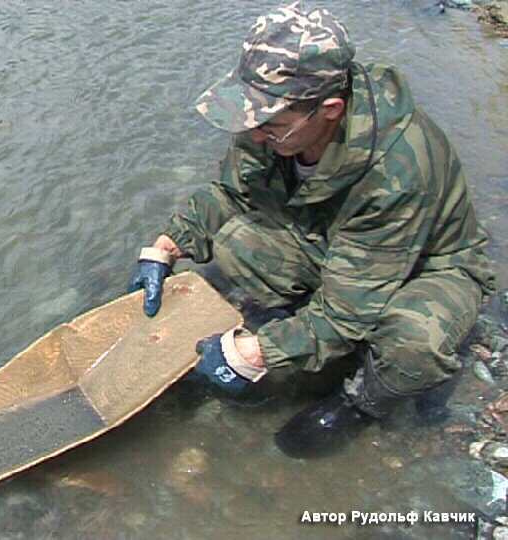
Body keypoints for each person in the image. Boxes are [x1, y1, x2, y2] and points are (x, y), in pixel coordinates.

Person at [128, 2, 495, 458]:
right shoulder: (271, 119)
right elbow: (231, 192)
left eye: (271, 127)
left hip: (427, 267)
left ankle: (359, 403)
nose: (256, 134)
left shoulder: (398, 170)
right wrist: (166, 246)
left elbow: (346, 313)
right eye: (252, 120)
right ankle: (305, 326)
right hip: (338, 241)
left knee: (412, 346)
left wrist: (255, 352)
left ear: (329, 109)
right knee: (234, 245)